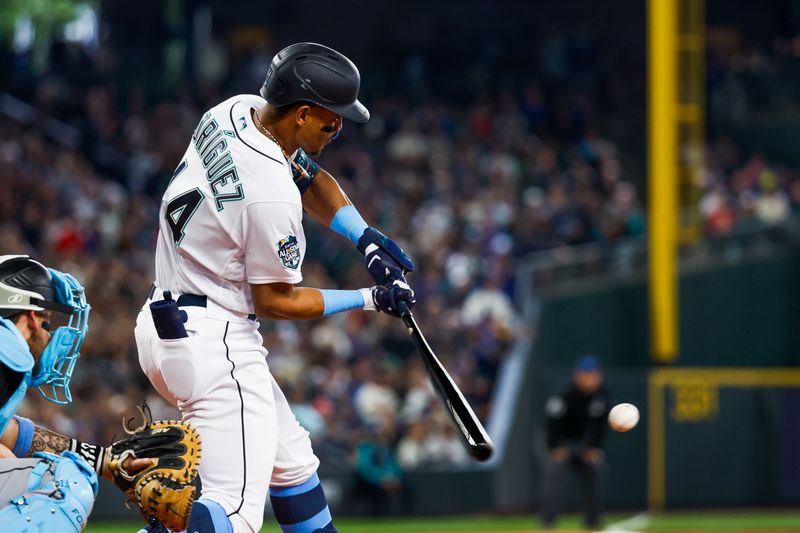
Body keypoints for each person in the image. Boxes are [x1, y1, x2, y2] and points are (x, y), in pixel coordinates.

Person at [135, 42, 416, 533]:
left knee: (293, 466)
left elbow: (310, 178)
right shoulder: (269, 193)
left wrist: (365, 239)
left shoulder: (234, 111)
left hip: (168, 320)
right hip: (216, 342)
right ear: (303, 114)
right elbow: (275, 301)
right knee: (236, 516)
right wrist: (368, 299)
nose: (339, 128)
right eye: (331, 120)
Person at [0, 255, 153, 531]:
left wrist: (105, 462)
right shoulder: (8, 349)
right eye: (49, 322)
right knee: (61, 488)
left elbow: (11, 433)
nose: (50, 336)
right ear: (33, 317)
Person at [541, 354, 609, 530]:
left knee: (597, 466)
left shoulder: (602, 395)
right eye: (586, 375)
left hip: (585, 443)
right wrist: (555, 447)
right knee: (555, 471)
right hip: (560, 441)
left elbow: (600, 427)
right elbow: (551, 424)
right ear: (577, 375)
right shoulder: (563, 394)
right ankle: (548, 522)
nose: (590, 379)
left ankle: (592, 520)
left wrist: (594, 448)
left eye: (593, 375)